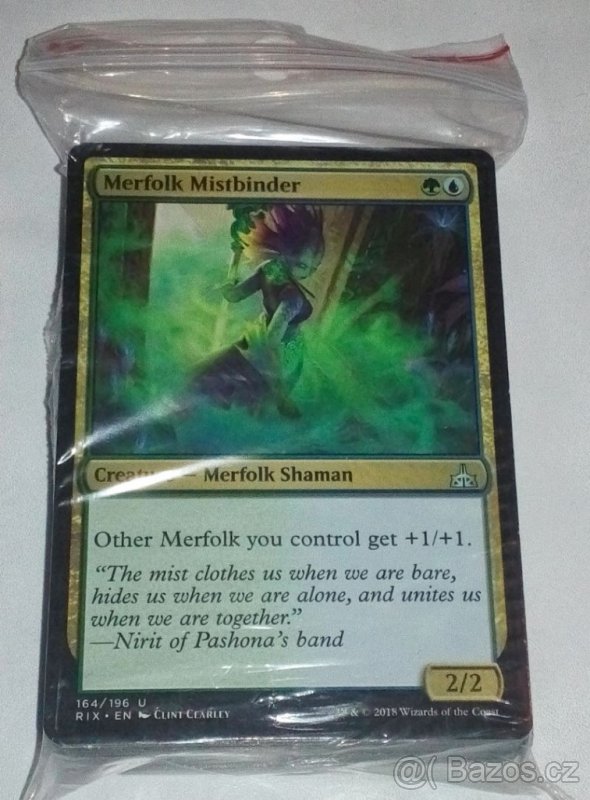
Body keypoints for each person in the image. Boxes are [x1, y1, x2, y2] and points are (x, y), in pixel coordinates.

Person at [193, 205, 324, 417]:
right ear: (287, 252)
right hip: (267, 347)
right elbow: (236, 296)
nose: (308, 273)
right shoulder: (276, 276)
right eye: (303, 265)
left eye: (313, 268)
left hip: (280, 354)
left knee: (247, 407)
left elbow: (270, 340)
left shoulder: (276, 276)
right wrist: (228, 282)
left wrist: (281, 396)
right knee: (212, 383)